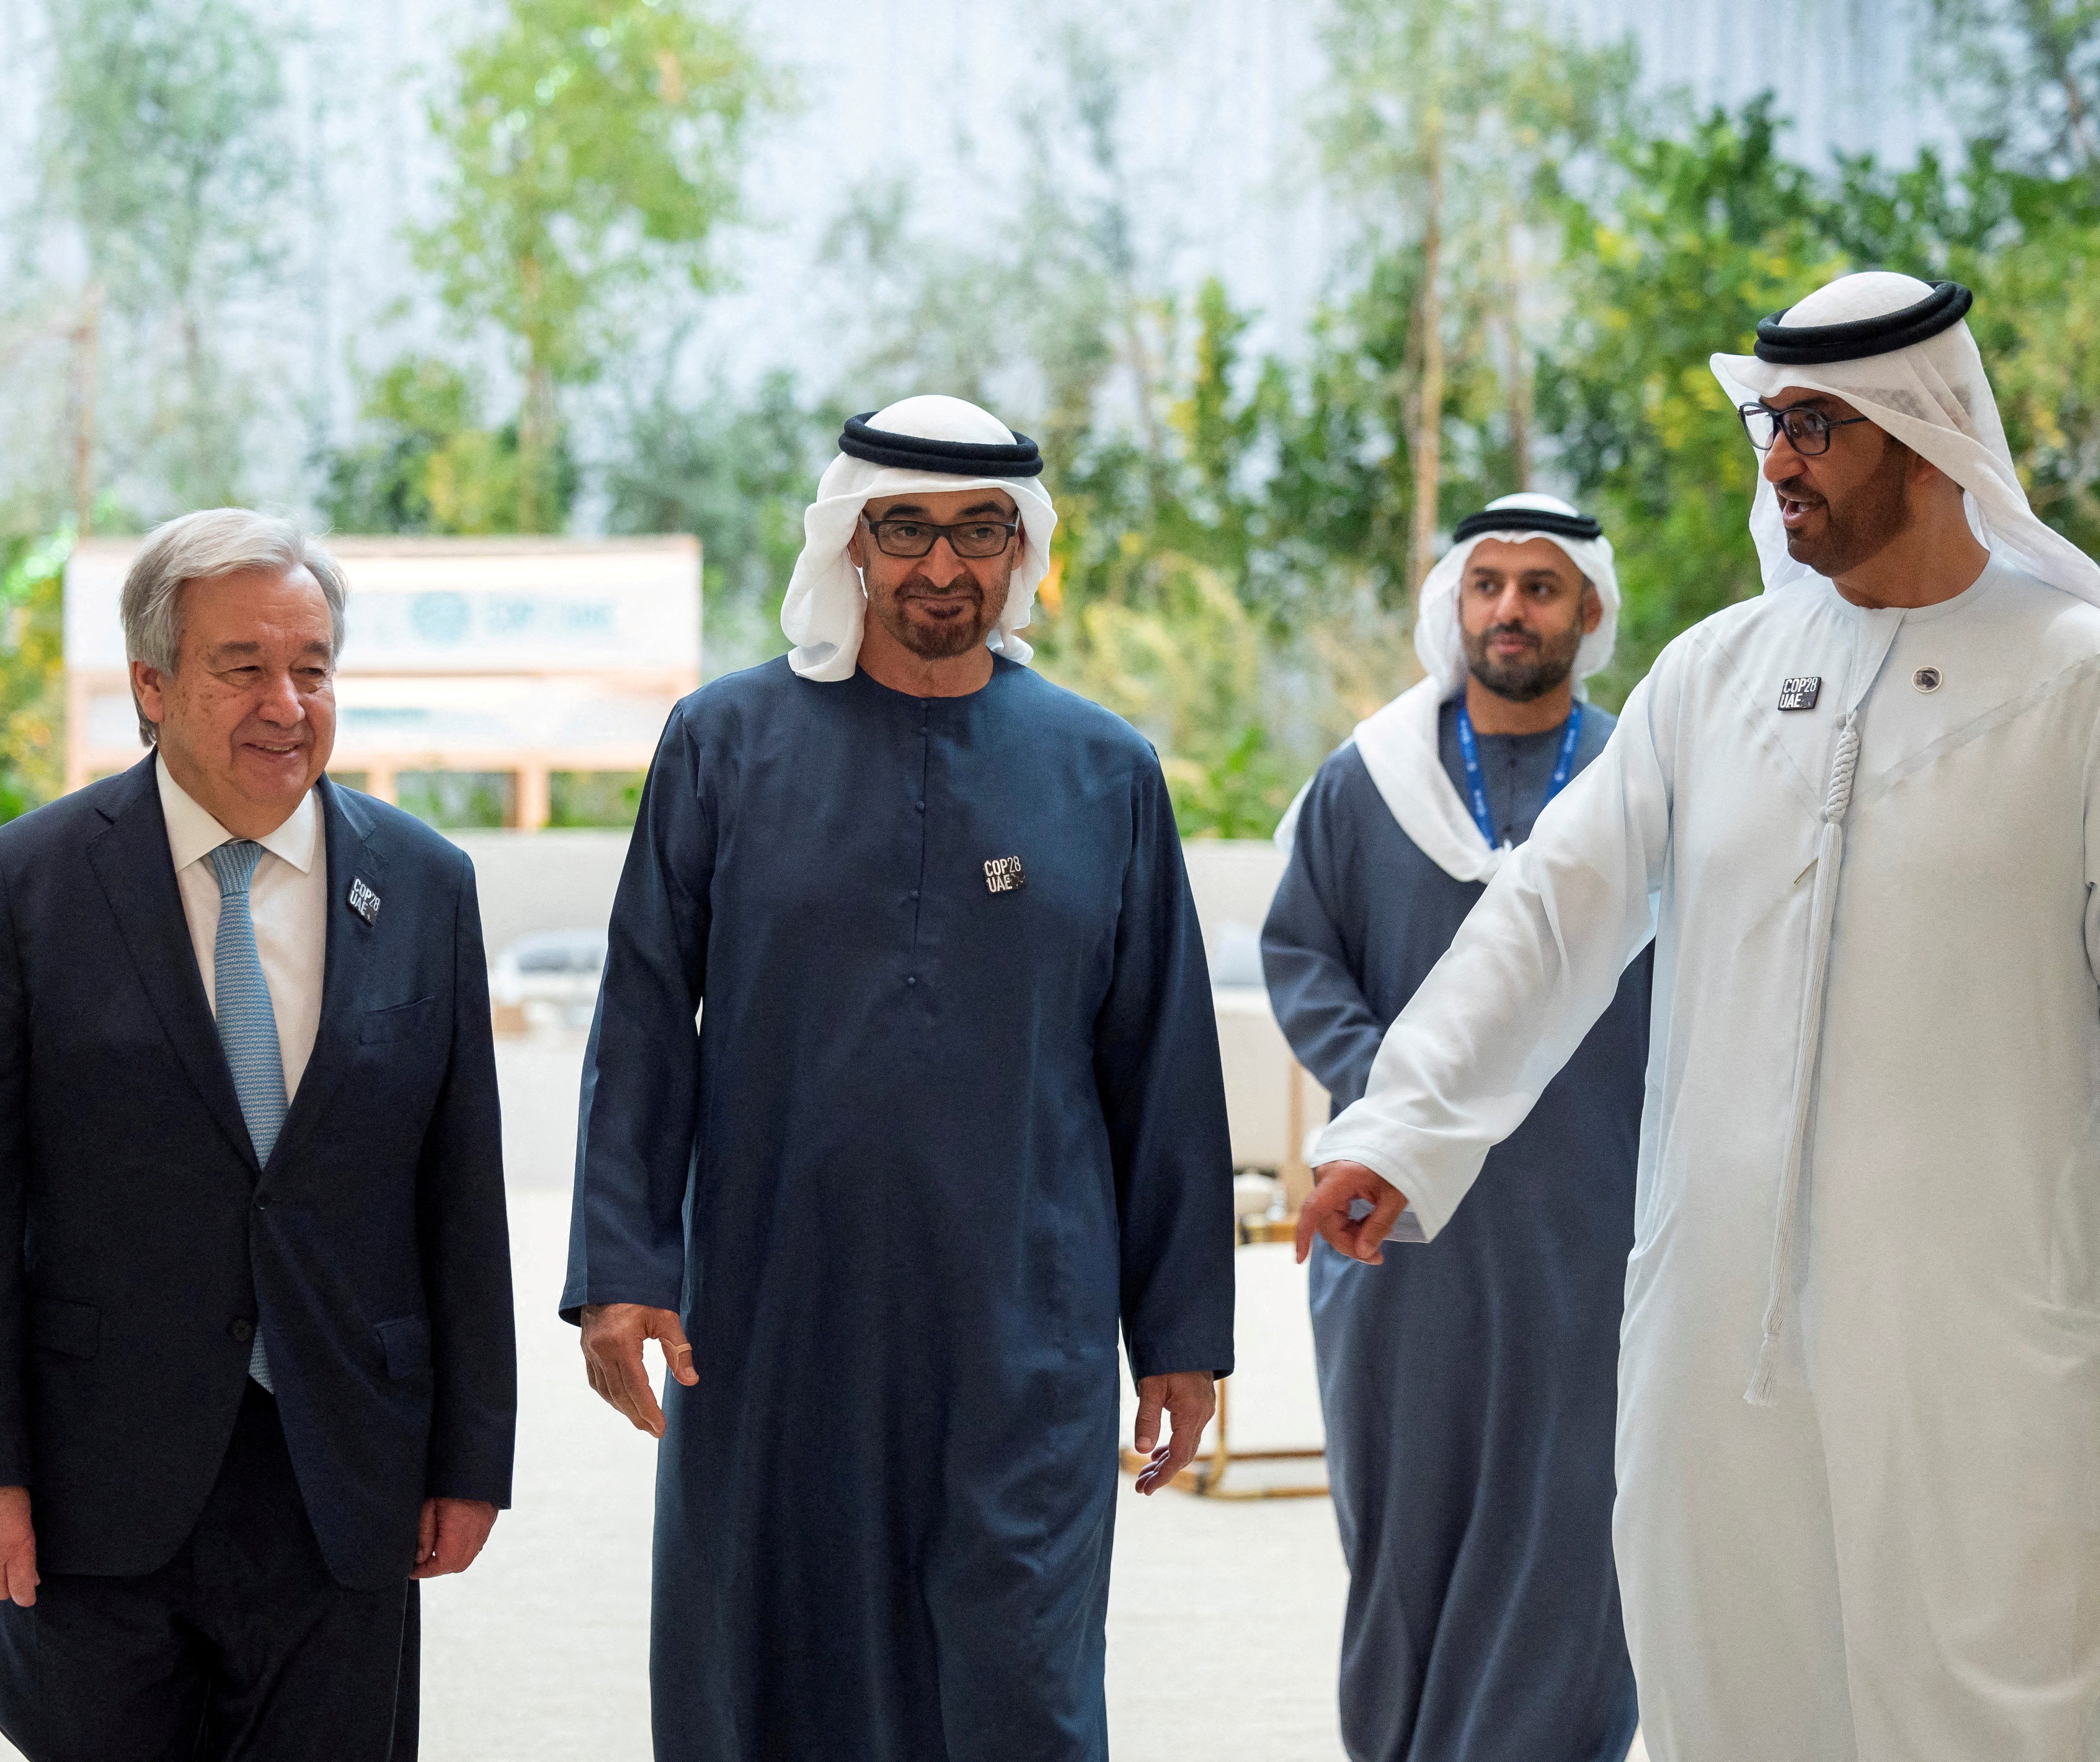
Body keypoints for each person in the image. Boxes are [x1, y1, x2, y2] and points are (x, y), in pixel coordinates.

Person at [1298, 271, 2100, 1760]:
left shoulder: (2074, 679)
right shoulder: (1718, 676)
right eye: (1770, 423)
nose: (1776, 460)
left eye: (1813, 427)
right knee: (1730, 1681)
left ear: (1922, 434)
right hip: (1713, 1320)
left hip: (1977, 1326)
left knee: (1993, 1687)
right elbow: (1550, 915)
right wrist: (1401, 1125)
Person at [565, 394, 1237, 1762]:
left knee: (1018, 1682)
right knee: (772, 1665)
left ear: (1022, 546)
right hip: (772, 1318)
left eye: (980, 530)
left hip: (1021, 1330)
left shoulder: (1106, 770)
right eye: (909, 529)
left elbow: (1161, 1064)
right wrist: (626, 1265)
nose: (945, 566)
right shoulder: (723, 742)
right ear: (851, 543)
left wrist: (1178, 1333)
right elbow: (642, 1014)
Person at [0, 508, 517, 1761]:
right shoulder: (32, 884)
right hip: (93, 1477)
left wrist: (472, 1454)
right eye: (242, 666)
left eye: (314, 664)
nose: (285, 702)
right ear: (153, 684)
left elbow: (461, 1196)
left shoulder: (425, 884)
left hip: (341, 1465)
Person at [1264, 492, 1648, 1762]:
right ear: (1453, 606)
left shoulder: (1638, 784)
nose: (1510, 610)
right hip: (1401, 1226)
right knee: (1403, 1519)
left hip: (1591, 1222)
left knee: (1573, 1516)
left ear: (1587, 615)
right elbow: (1301, 953)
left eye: (1542, 588)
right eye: (1488, 584)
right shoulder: (1370, 781)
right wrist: (1403, 1103)